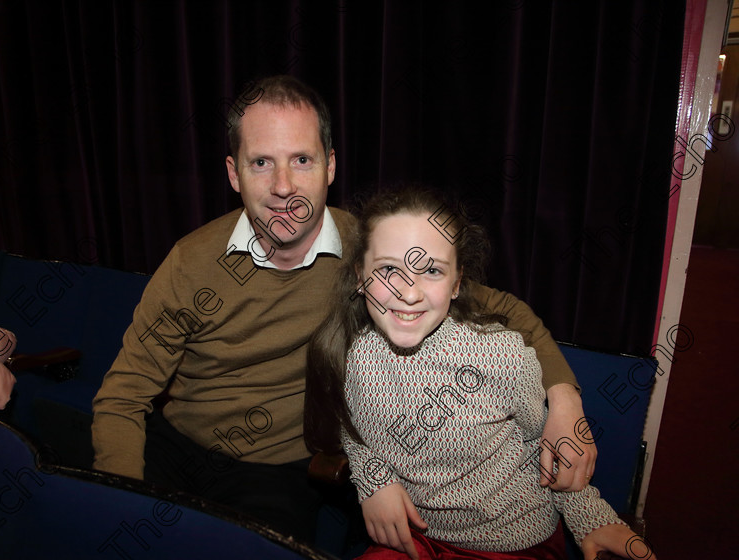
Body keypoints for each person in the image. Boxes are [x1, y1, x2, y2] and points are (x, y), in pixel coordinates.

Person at [91, 75, 597, 544]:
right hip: (176, 449)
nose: (284, 186)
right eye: (261, 162)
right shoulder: (190, 262)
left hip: (281, 474)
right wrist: (120, 502)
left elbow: (505, 313)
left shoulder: (369, 252)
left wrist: (564, 403)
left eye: (302, 160)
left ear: (330, 165)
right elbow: (123, 397)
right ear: (233, 173)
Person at [304, 186, 652, 560]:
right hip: (414, 537)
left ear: (457, 283)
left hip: (512, 541)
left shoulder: (501, 355)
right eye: (389, 269)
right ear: (361, 276)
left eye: (432, 271)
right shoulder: (357, 355)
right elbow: (353, 431)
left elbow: (543, 448)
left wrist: (590, 518)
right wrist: (374, 482)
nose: (408, 293)